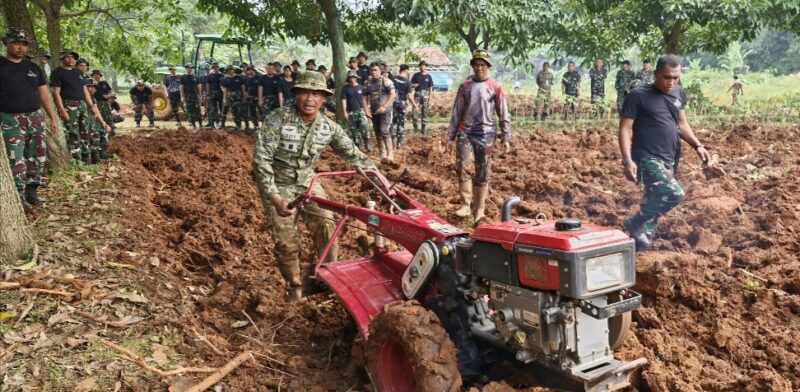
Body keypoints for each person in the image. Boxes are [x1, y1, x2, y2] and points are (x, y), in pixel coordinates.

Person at [253, 71, 377, 302]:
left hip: (308, 183)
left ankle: (327, 278)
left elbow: (353, 154)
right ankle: (295, 287)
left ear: (323, 98)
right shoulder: (277, 119)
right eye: (305, 92)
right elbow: (261, 159)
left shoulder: (328, 127)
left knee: (327, 223)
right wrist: (273, 196)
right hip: (279, 185)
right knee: (286, 240)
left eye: (317, 94)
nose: (310, 99)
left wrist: (379, 179)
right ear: (297, 94)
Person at [618, 54, 710, 250]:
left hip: (669, 158)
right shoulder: (637, 95)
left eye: (675, 78)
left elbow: (682, 125)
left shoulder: (678, 94)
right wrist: (627, 160)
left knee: (653, 209)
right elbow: (625, 128)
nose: (671, 82)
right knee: (674, 194)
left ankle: (635, 254)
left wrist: (698, 146)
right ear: (655, 74)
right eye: (666, 77)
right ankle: (635, 221)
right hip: (646, 157)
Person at [446, 50, 511, 223]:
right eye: (476, 64)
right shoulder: (465, 86)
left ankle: (479, 210)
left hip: (487, 134)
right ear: (472, 66)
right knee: (462, 168)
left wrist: (506, 137)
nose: (479, 68)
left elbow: (503, 112)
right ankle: (466, 204)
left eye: (482, 65)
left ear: (487, 67)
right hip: (465, 132)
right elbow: (456, 112)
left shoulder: (495, 87)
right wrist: (450, 137)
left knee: (483, 173)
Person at [0, 28, 59, 206]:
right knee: (16, 158)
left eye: (24, 44)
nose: (21, 47)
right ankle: (18, 197)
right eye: (16, 43)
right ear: (6, 43)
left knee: (37, 156)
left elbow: (44, 95)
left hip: (35, 118)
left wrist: (53, 118)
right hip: (9, 119)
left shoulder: (33, 68)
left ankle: (31, 193)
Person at [50, 48, 109, 163]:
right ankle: (77, 160)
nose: (71, 59)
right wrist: (62, 110)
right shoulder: (57, 72)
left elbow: (84, 90)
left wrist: (91, 106)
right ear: (62, 59)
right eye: (68, 57)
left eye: (73, 57)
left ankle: (87, 158)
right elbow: (56, 92)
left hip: (82, 104)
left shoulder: (78, 72)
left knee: (85, 130)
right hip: (68, 104)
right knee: (72, 132)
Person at [363, 62, 396, 161]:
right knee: (377, 132)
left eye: (375, 70)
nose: (373, 72)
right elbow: (364, 97)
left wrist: (384, 106)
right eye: (372, 70)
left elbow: (392, 95)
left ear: (380, 71)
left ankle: (390, 154)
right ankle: (383, 154)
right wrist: (366, 110)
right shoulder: (367, 83)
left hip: (385, 111)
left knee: (384, 130)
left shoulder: (386, 81)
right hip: (374, 111)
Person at [341, 70, 370, 152]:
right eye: (350, 77)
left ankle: (367, 144)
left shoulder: (361, 87)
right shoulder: (345, 88)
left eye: (353, 77)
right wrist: (344, 112)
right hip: (351, 112)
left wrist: (366, 111)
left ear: (356, 78)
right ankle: (357, 146)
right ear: (348, 78)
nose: (352, 79)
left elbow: (365, 100)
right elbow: (343, 100)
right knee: (354, 130)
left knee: (365, 127)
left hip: (361, 111)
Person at [389, 64, 416, 148]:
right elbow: (410, 96)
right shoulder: (407, 82)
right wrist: (415, 105)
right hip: (402, 104)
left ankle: (391, 142)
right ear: (406, 70)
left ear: (400, 69)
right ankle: (399, 144)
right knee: (401, 123)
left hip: (392, 103)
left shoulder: (392, 79)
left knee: (392, 122)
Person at [91, 69, 114, 156]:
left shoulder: (104, 83)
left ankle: (111, 136)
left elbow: (110, 91)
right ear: (93, 75)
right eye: (95, 75)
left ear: (100, 76)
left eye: (98, 75)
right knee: (98, 120)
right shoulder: (91, 84)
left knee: (109, 118)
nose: (97, 76)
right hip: (95, 103)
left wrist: (108, 96)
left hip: (104, 103)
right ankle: (102, 138)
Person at [411, 60, 433, 134]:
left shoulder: (429, 77)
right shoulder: (416, 75)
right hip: (417, 96)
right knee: (414, 113)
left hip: (425, 97)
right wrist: (414, 85)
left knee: (425, 113)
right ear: (419, 67)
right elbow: (410, 85)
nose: (422, 67)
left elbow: (430, 88)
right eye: (421, 65)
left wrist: (430, 98)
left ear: (426, 67)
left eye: (424, 65)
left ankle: (423, 130)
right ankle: (415, 129)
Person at [180, 64, 202, 130]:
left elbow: (198, 86)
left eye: (191, 68)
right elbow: (181, 87)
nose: (190, 69)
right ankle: (194, 125)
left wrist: (199, 95)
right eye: (188, 68)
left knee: (198, 110)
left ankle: (201, 125)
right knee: (190, 111)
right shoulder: (183, 77)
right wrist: (182, 96)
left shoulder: (195, 76)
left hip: (195, 96)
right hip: (187, 96)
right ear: (186, 69)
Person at [245, 65, 260, 129]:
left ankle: (263, 123)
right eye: (249, 70)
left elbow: (261, 87)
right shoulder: (246, 79)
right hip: (250, 97)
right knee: (252, 111)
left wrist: (260, 97)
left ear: (254, 70)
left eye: (251, 70)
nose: (250, 71)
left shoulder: (258, 77)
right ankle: (255, 124)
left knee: (261, 110)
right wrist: (247, 95)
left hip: (258, 96)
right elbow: (245, 89)